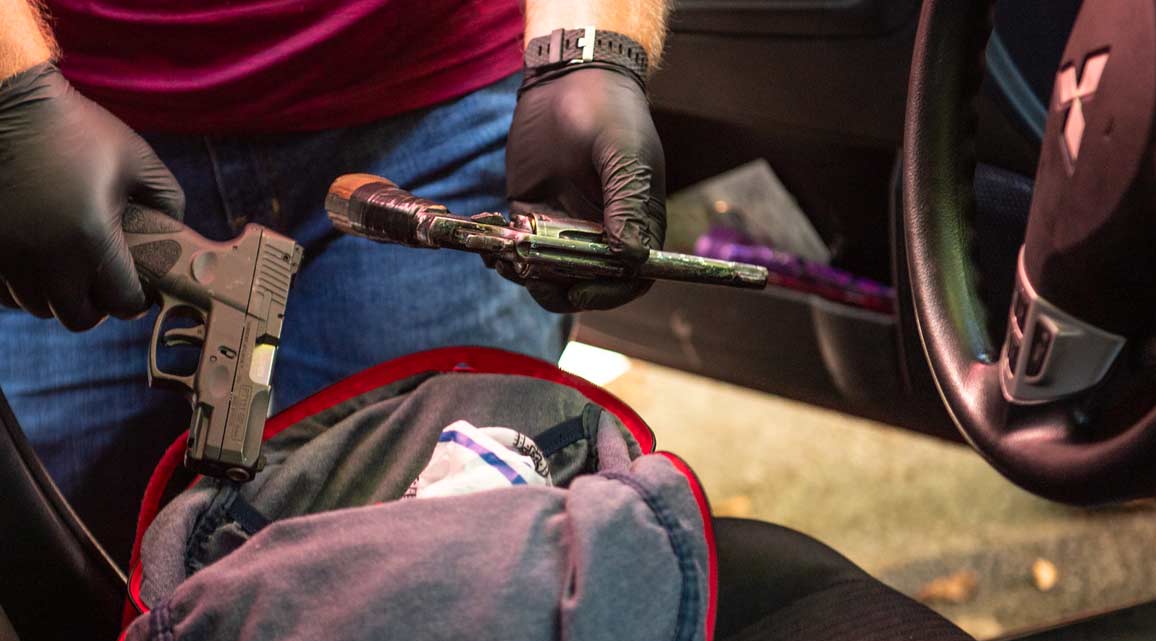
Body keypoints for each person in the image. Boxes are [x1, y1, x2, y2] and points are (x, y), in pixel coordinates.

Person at [0, 0, 668, 554]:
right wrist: (12, 97)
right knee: (64, 587)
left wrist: (590, 52)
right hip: (65, 137)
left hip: (433, 108)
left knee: (424, 565)